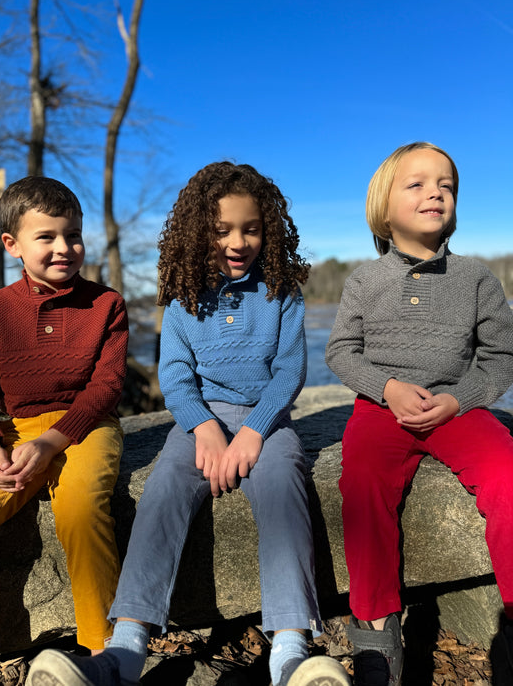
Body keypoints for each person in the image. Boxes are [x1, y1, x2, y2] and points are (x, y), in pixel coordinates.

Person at [27, 162, 350, 686]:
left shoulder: (282, 294)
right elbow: (175, 376)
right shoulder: (182, 299)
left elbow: (290, 370)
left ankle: (290, 652)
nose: (238, 241)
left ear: (268, 230)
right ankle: (126, 650)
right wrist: (203, 428)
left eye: (250, 228)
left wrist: (253, 432)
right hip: (199, 423)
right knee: (163, 489)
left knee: (283, 488)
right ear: (197, 233)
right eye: (222, 230)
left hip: (265, 426)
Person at [325, 142, 513, 686]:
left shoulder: (477, 279)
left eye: (446, 184)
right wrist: (385, 388)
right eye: (417, 183)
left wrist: (459, 399)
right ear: (384, 208)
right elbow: (342, 351)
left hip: (457, 406)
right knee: (362, 484)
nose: (435, 191)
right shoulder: (364, 279)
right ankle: (377, 637)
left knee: (507, 475)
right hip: (382, 409)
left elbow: (500, 358)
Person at [0, 176, 129, 686]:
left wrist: (54, 441)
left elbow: (107, 386)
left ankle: (105, 658)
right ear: (12, 245)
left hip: (88, 425)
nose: (64, 248)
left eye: (72, 235)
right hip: (15, 431)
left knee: (80, 509)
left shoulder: (106, 305)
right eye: (47, 237)